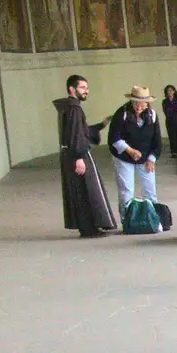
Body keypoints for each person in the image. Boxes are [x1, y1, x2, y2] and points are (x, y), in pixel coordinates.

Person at [53, 75, 116, 238]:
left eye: (87, 88)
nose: (86, 91)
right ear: (72, 89)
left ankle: (88, 227)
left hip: (70, 154)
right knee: (87, 190)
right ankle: (90, 227)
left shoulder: (69, 107)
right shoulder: (74, 109)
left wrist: (100, 125)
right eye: (82, 88)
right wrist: (79, 157)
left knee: (80, 190)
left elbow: (81, 131)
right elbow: (75, 134)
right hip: (77, 154)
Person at [107, 86, 162, 218]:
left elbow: (157, 141)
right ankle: (126, 218)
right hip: (124, 157)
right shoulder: (122, 113)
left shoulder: (152, 115)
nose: (139, 107)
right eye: (136, 103)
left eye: (142, 104)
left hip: (145, 157)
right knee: (126, 191)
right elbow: (114, 138)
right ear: (131, 101)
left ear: (147, 103)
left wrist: (152, 159)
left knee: (150, 190)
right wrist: (130, 150)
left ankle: (153, 218)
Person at [162, 85, 177, 158]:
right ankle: (174, 151)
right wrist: (174, 109)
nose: (170, 92)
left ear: (174, 91)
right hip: (170, 121)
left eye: (171, 90)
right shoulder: (165, 101)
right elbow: (167, 111)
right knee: (172, 137)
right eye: (168, 90)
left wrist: (172, 109)